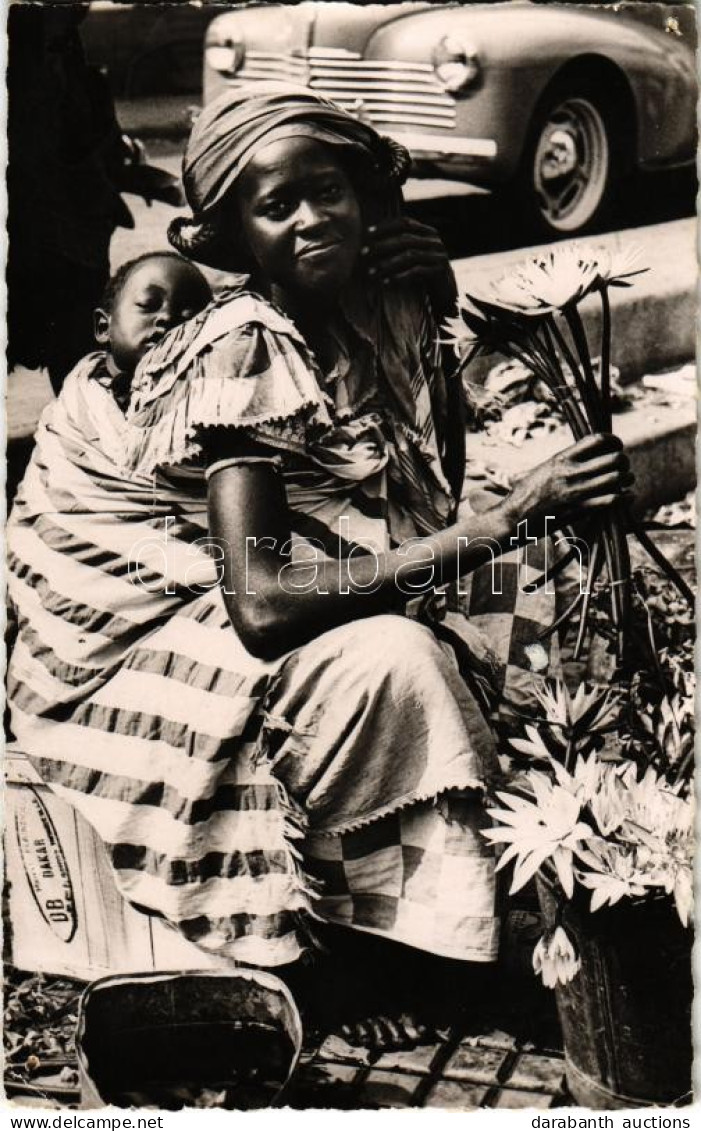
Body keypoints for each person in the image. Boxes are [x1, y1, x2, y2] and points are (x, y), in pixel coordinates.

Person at [7, 85, 632, 1047]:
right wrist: (505, 517)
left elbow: (417, 495)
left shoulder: (361, 304)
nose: (311, 218)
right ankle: (380, 951)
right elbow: (260, 603)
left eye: (329, 191)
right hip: (144, 637)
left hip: (272, 586)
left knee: (523, 599)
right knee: (397, 654)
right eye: (276, 206)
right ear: (236, 236)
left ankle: (488, 897)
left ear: (367, 197)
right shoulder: (244, 339)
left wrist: (433, 299)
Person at [6, 4, 184, 394]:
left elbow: (80, 126)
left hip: (72, 233)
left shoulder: (63, 43)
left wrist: (132, 168)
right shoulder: (28, 45)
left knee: (77, 351)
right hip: (39, 232)